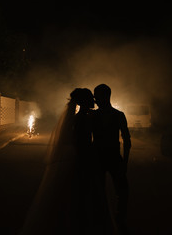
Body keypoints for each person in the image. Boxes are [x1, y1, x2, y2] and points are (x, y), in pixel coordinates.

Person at [19, 88, 96, 235]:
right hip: (81, 159)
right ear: (85, 101)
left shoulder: (80, 118)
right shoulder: (84, 119)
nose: (94, 100)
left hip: (75, 157)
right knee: (77, 195)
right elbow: (82, 143)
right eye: (91, 98)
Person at [92, 84, 131, 235]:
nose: (95, 99)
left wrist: (125, 163)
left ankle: (108, 221)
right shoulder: (118, 115)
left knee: (109, 191)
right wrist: (125, 163)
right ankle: (116, 220)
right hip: (111, 158)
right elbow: (127, 141)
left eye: (97, 96)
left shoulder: (94, 116)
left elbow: (127, 141)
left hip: (103, 158)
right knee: (121, 192)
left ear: (104, 97)